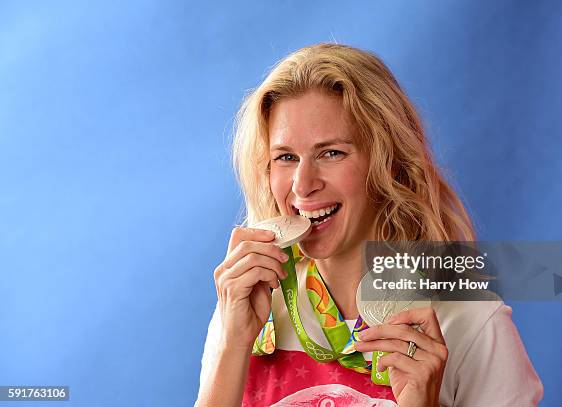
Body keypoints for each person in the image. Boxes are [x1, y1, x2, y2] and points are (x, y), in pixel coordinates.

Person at [194, 43, 543, 406]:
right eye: (285, 157)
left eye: (331, 153)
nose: (302, 184)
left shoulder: (471, 322)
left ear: (389, 162)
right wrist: (232, 342)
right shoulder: (249, 308)